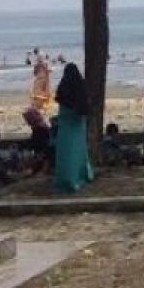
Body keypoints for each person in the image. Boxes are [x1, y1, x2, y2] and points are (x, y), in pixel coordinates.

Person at [52, 63, 93, 193]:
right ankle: (80, 176)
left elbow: (59, 99)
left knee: (65, 155)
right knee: (78, 153)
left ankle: (66, 179)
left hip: (65, 128)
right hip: (78, 126)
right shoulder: (81, 86)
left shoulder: (63, 88)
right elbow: (85, 106)